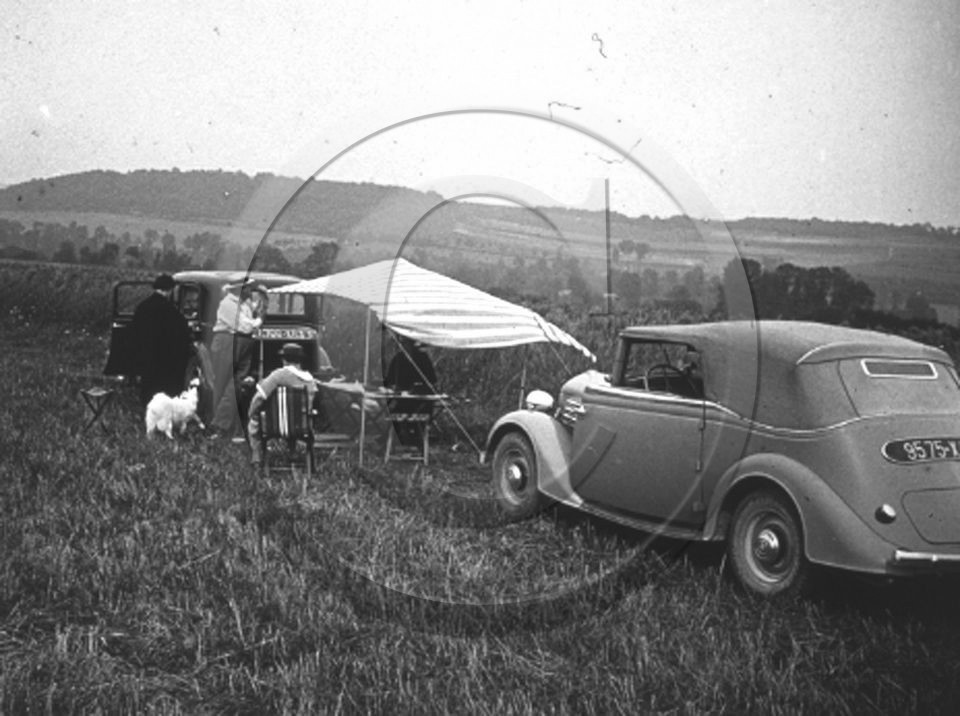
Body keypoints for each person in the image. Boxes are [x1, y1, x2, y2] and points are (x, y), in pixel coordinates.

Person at [209, 281, 267, 439]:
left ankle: (223, 424)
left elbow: (251, 321)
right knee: (222, 382)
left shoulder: (244, 304)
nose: (249, 290)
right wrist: (259, 321)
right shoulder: (227, 304)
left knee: (236, 385)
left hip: (241, 342)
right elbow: (246, 326)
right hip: (227, 341)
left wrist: (262, 303)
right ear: (238, 289)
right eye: (247, 288)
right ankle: (218, 425)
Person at [247, 342, 318, 467]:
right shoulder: (311, 381)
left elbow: (259, 397)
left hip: (275, 425)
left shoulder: (279, 375)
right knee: (298, 415)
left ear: (284, 360)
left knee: (254, 420)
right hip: (302, 426)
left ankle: (256, 458)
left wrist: (251, 413)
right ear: (300, 360)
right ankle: (293, 454)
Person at [131, 273, 194, 406]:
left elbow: (134, 331)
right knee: (163, 387)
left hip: (146, 355)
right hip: (163, 358)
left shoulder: (142, 307)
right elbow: (180, 334)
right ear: (170, 290)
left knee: (148, 385)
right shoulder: (170, 311)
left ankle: (147, 409)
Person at [383, 334, 437, 447]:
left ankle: (414, 437)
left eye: (406, 343)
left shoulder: (422, 358)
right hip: (402, 400)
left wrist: (419, 387)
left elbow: (432, 380)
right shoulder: (398, 359)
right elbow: (389, 380)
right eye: (402, 343)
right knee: (393, 411)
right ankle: (399, 437)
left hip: (421, 402)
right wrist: (393, 388)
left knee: (419, 414)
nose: (404, 346)